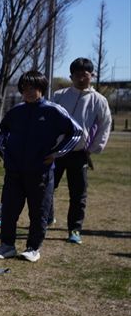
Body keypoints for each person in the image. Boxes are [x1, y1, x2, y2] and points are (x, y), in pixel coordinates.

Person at [0, 70, 82, 263]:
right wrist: (4, 153)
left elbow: (75, 132)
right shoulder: (16, 111)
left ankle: (33, 248)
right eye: (25, 88)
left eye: (33, 88)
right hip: (14, 171)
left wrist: (57, 153)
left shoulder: (53, 110)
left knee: (39, 211)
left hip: (40, 172)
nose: (29, 92)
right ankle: (7, 245)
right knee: (9, 210)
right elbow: (3, 132)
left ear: (42, 88)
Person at [48, 58, 113, 244]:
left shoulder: (99, 100)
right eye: (77, 75)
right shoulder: (59, 96)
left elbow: (105, 125)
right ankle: (47, 217)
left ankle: (75, 229)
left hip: (79, 153)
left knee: (78, 194)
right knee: (47, 188)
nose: (81, 79)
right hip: (56, 152)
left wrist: (93, 148)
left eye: (85, 75)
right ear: (71, 76)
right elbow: (48, 119)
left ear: (92, 76)